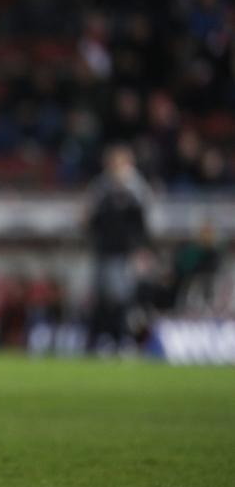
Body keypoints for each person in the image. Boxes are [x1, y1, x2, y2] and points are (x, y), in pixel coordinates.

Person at [84, 143, 151, 353]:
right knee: (103, 297)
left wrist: (140, 250)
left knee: (123, 297)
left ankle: (125, 339)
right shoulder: (101, 188)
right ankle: (106, 339)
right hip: (104, 250)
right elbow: (91, 219)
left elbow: (141, 225)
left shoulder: (136, 190)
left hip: (125, 253)